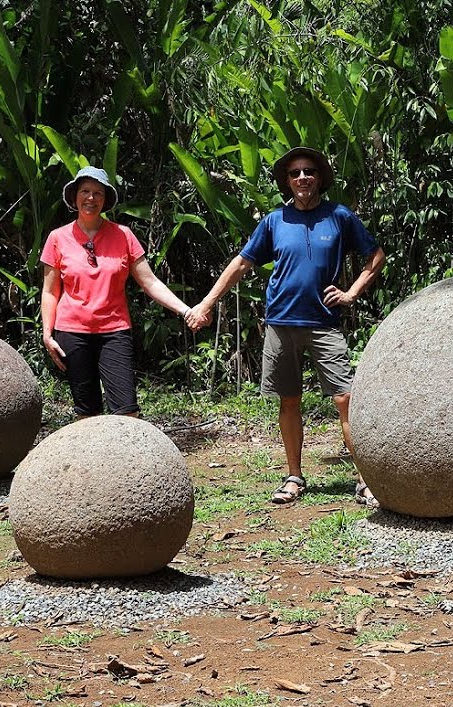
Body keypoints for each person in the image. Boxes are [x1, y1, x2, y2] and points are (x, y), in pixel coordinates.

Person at [187, 147, 386, 506]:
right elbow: (242, 263)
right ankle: (294, 477)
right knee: (289, 400)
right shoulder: (274, 221)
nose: (303, 178)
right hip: (281, 322)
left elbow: (375, 256)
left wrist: (351, 293)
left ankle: (365, 480)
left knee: (345, 399)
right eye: (295, 173)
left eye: (309, 171)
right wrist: (207, 302)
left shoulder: (339, 217)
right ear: (287, 181)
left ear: (320, 178)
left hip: (324, 322)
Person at [41, 166, 197, 417]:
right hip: (72, 331)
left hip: (114, 330)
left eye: (98, 193)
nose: (91, 198)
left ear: (105, 200)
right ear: (75, 196)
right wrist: (47, 334)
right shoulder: (57, 238)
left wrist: (186, 310)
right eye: (85, 191)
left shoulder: (123, 235)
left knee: (127, 411)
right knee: (86, 413)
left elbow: (150, 282)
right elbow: (50, 291)